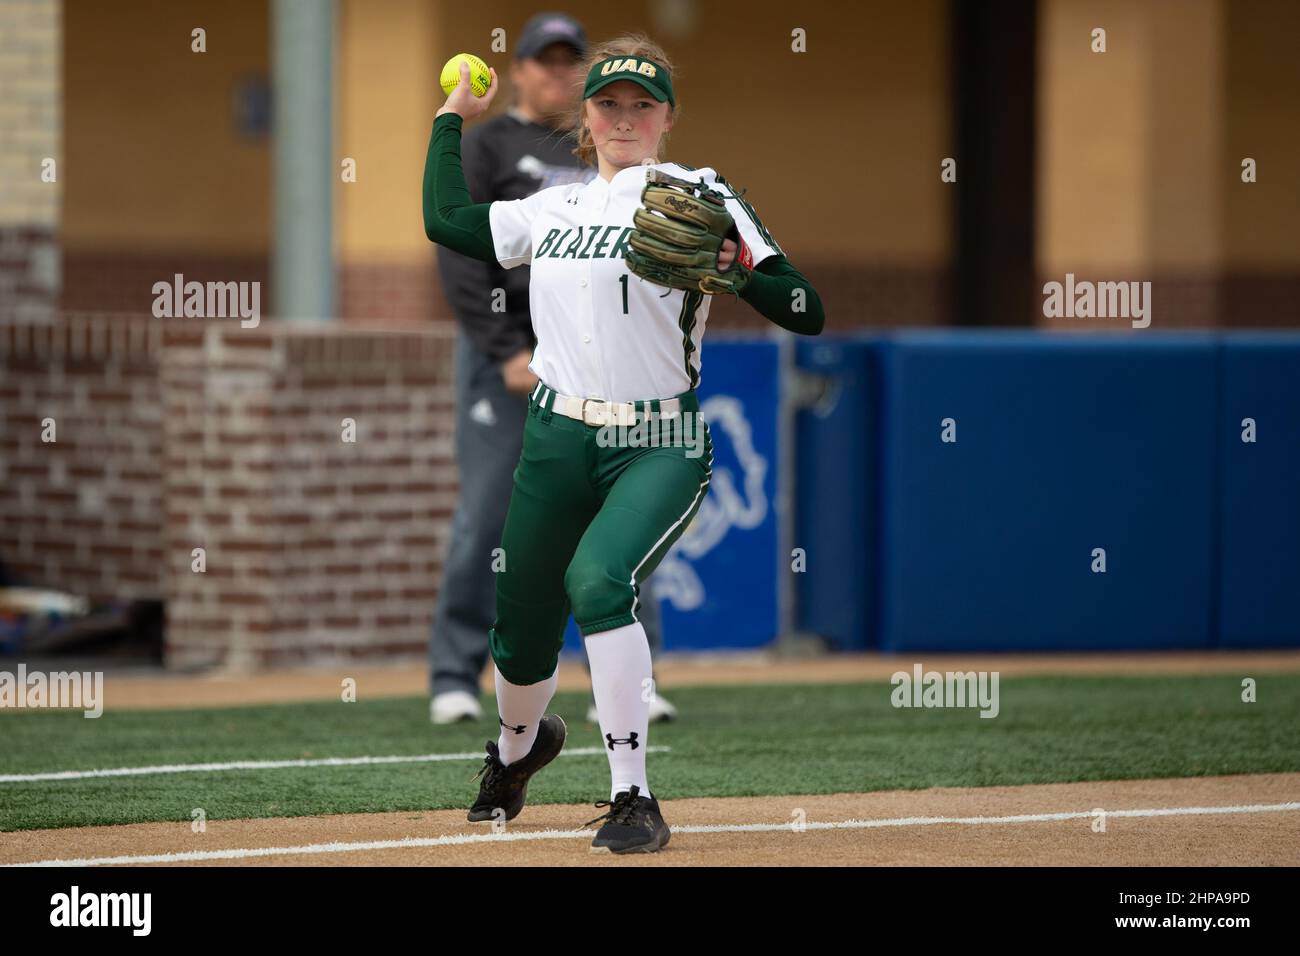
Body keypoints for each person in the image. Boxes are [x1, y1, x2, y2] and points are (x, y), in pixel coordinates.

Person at [422, 34, 823, 854]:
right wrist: (450, 121)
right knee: (522, 626)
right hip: (556, 431)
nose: (625, 117)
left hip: (659, 435)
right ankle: (516, 749)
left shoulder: (703, 195)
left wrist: (740, 271)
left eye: (644, 104)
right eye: (609, 103)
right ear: (587, 114)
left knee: (598, 581)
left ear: (668, 116)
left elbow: (805, 307)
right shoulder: (556, 206)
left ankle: (633, 796)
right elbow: (445, 221)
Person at [429, 13, 675, 728]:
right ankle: (453, 672)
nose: (559, 74)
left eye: (572, 63)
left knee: (624, 518)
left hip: (604, 371)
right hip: (513, 364)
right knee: (487, 518)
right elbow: (462, 251)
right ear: (519, 70)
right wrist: (503, 350)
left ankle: (628, 685)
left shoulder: (615, 151)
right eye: (545, 61)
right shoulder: (490, 145)